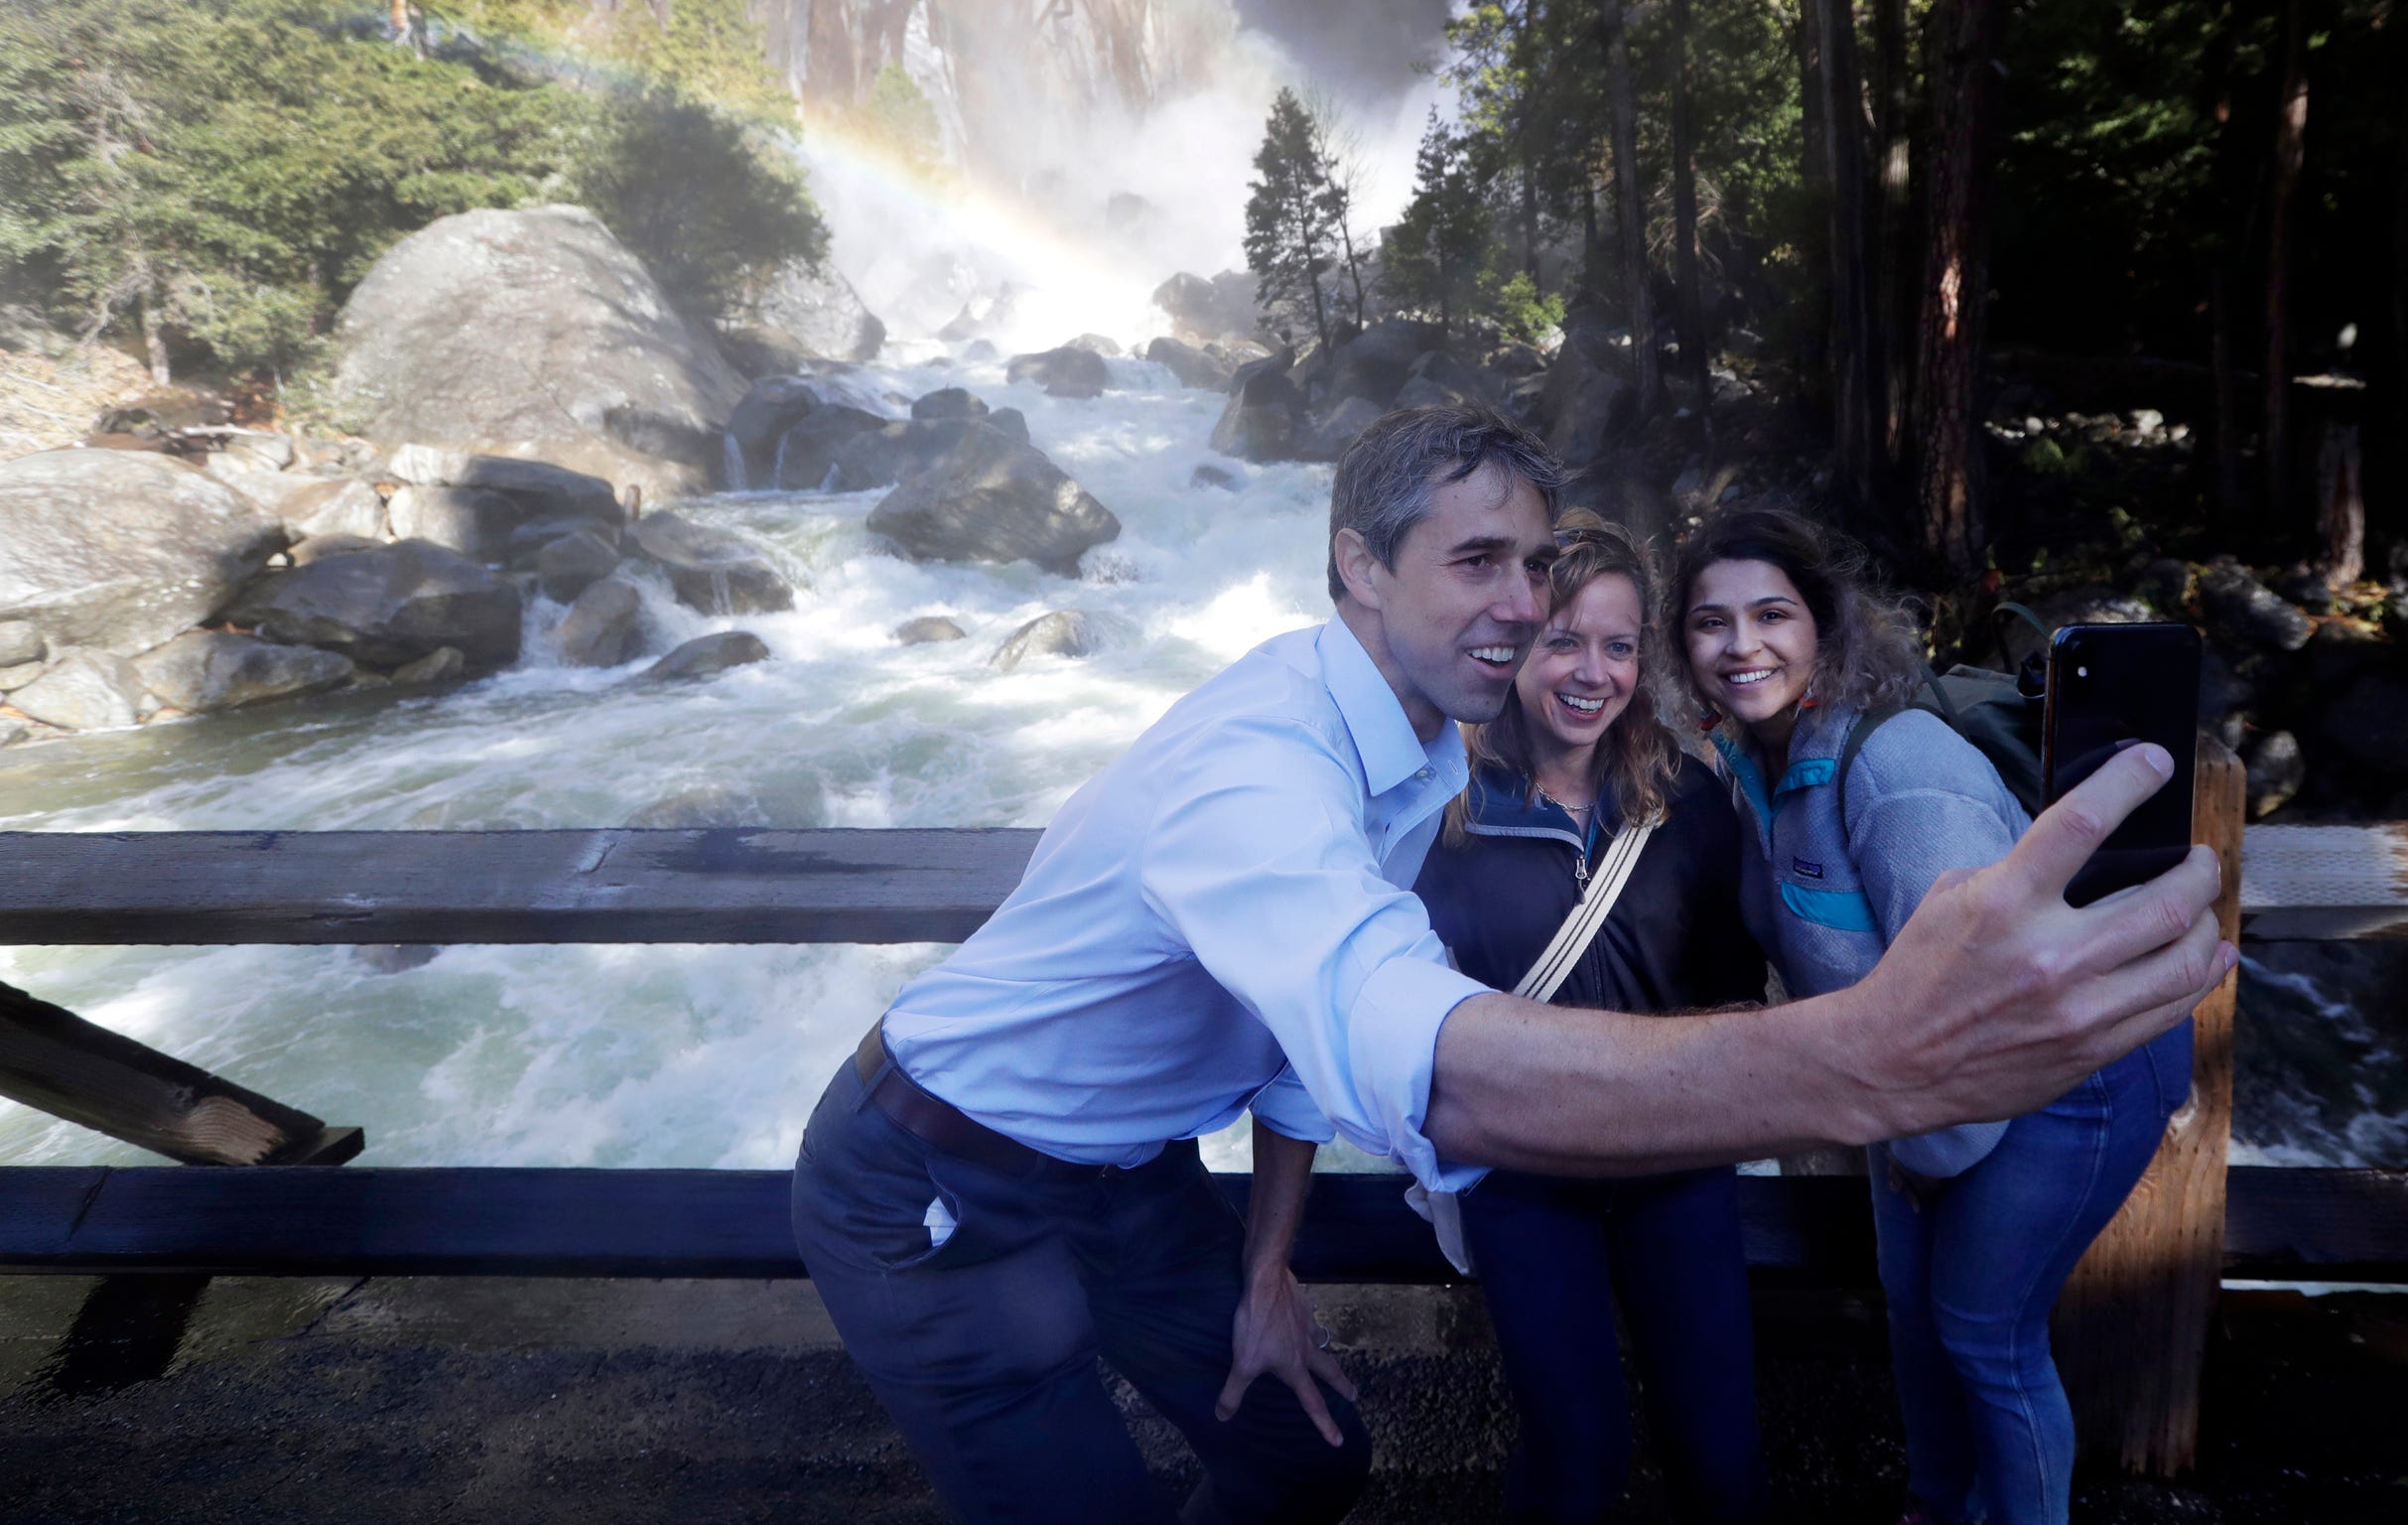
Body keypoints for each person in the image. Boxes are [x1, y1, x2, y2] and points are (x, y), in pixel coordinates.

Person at [792, 402, 2230, 1525]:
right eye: (1472, 561)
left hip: (1127, 1174)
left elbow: (1299, 1034)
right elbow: (1408, 1046)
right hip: (933, 1176)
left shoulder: (1418, 749)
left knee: (1309, 1461)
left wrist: (1269, 1260)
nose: (1516, 605)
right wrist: (1856, 1062)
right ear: (1356, 562)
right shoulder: (1256, 765)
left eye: (1531, 567)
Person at [1674, 506, 2197, 1525]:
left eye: (1772, 613)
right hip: (1909, 1090)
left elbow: (1988, 1003)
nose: (1742, 645)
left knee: (1985, 1333)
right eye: (1710, 621)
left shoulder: (1902, 772)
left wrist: (1926, 1150)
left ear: (1824, 624)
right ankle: (1936, 1504)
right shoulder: (1752, 757)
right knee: (1915, 1315)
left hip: (2064, 1072)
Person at [1409, 513, 1769, 1523]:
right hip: (1523, 1177)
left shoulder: (1686, 799)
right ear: (1514, 642)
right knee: (1575, 1458)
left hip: (1677, 1161)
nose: (1591, 672)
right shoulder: (1443, 815)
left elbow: (1733, 989)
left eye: (1618, 645)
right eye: (1562, 639)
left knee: (1723, 1457)